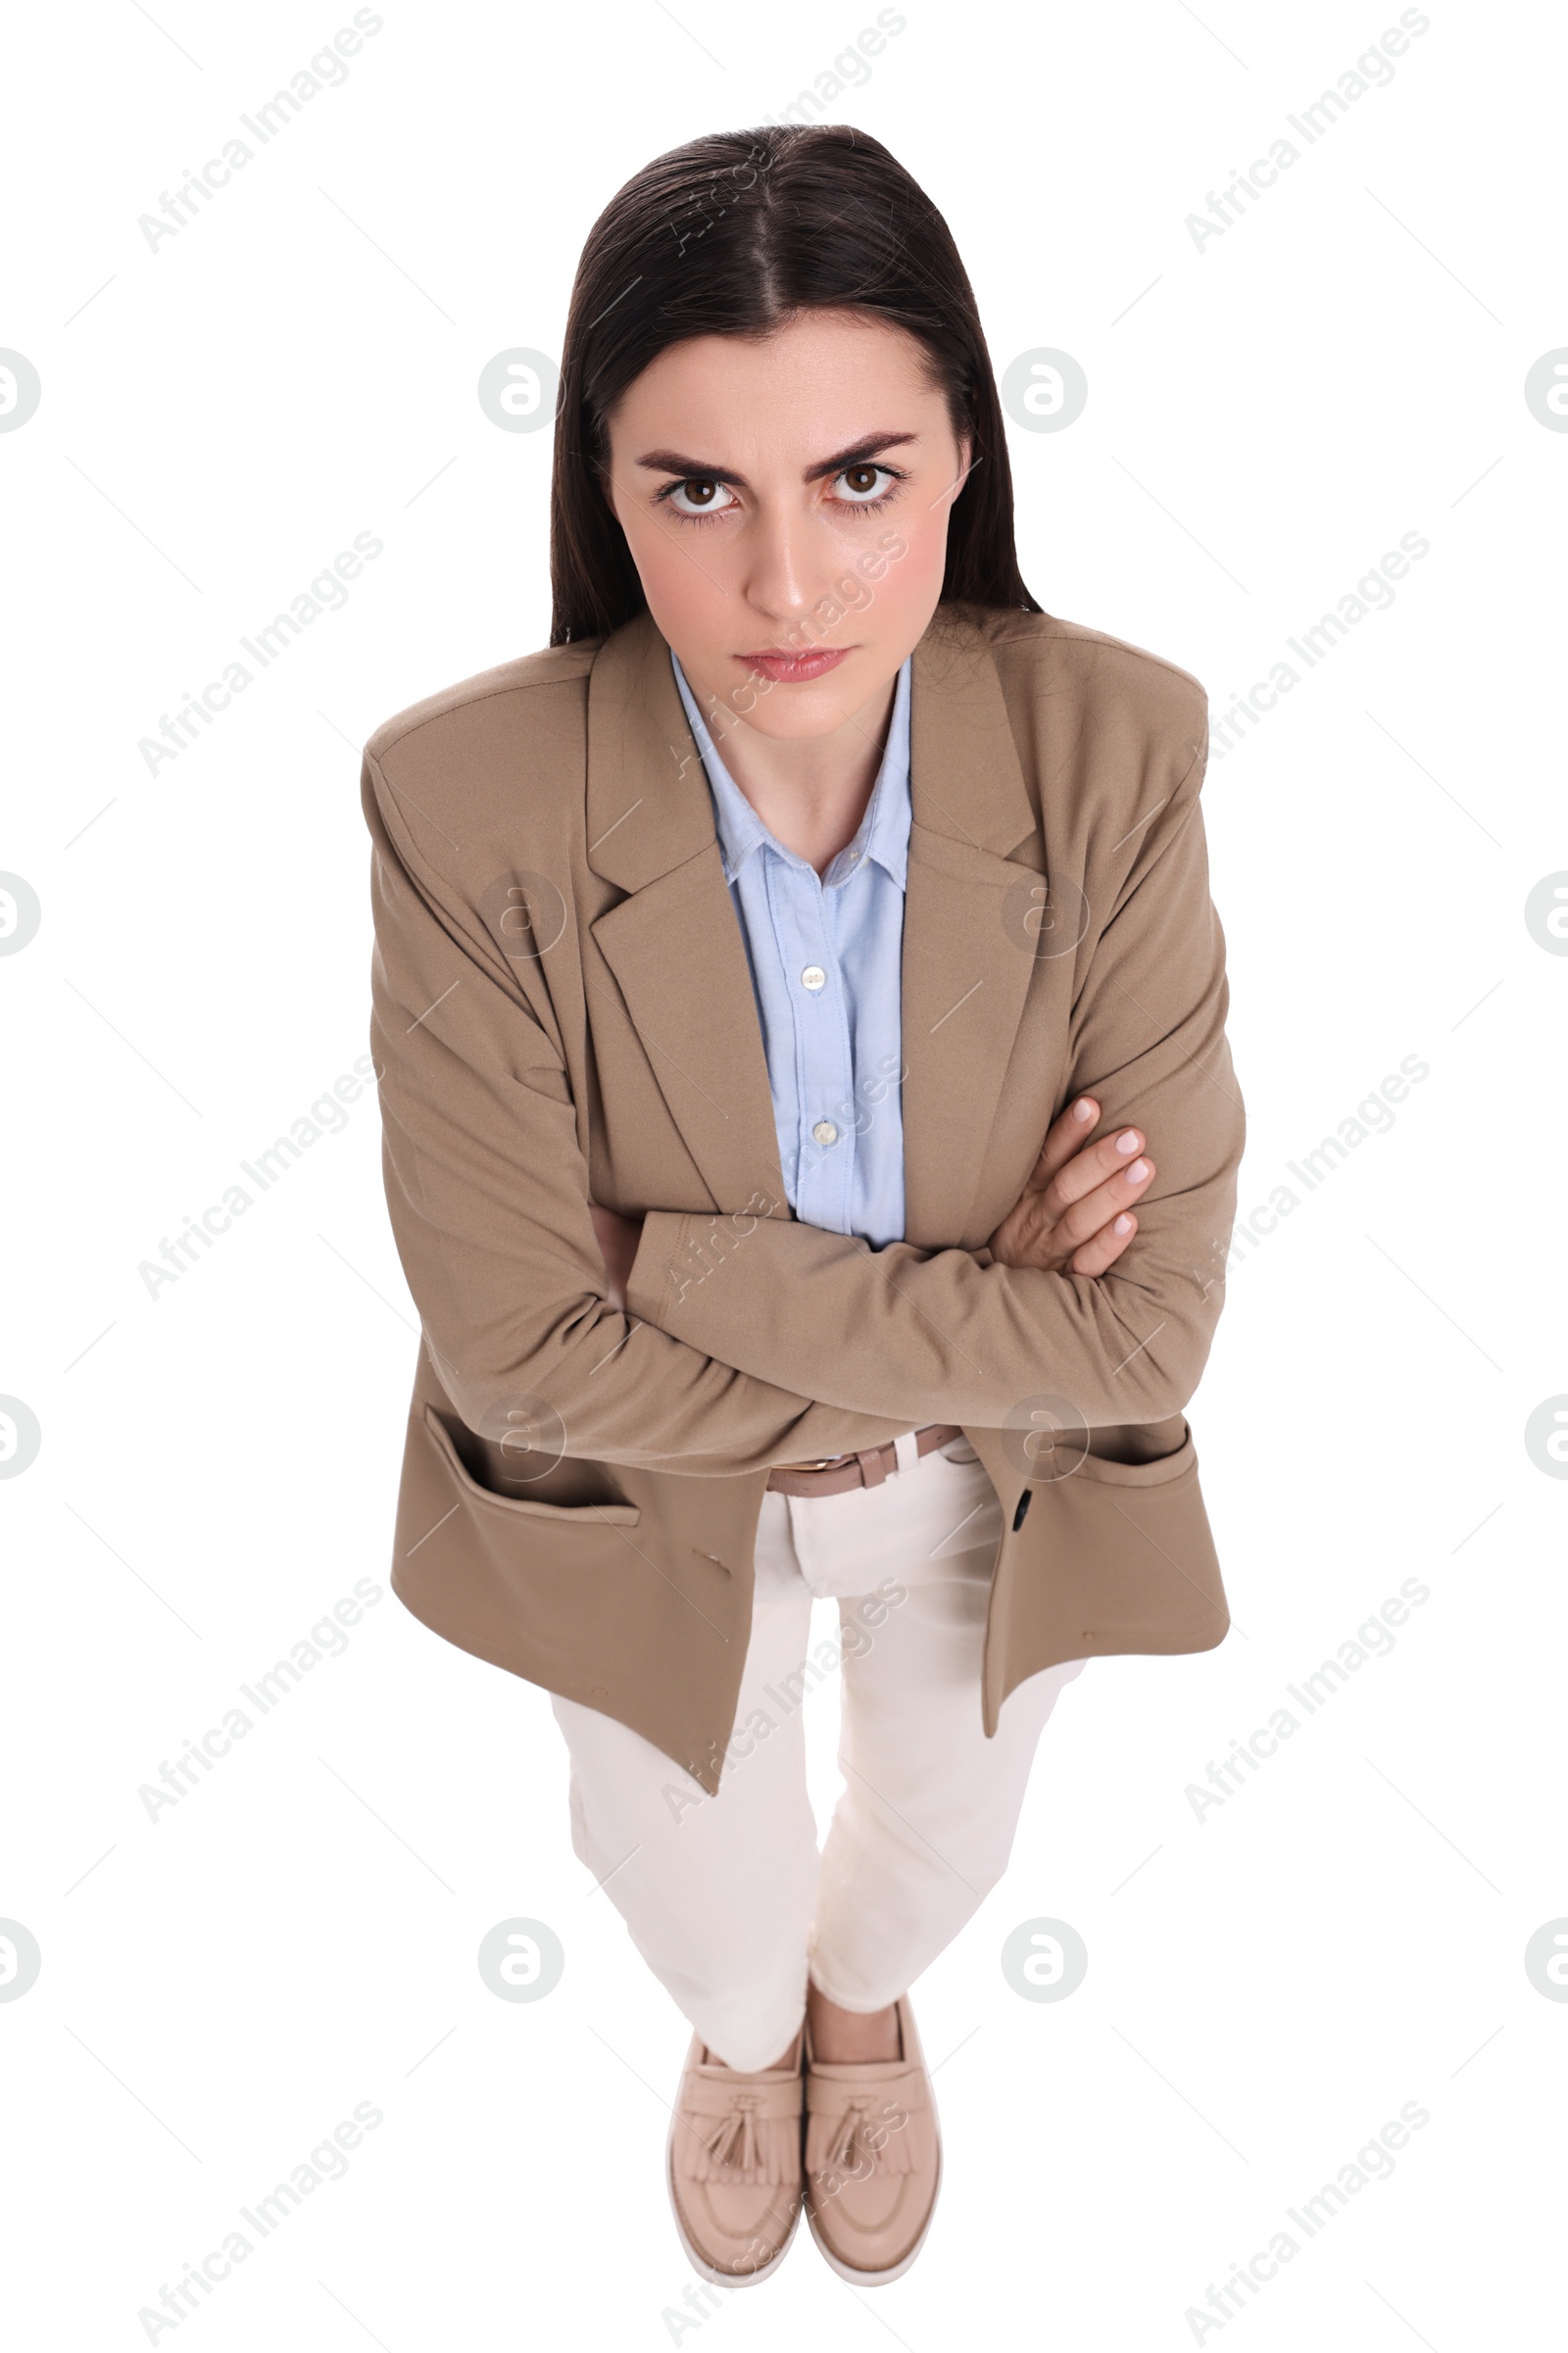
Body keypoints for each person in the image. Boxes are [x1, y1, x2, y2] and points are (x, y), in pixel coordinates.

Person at [361, 123, 1244, 2290]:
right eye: (696, 491)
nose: (786, 587)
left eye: (857, 477)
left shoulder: (1112, 747)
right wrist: (961, 1304)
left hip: (996, 1483)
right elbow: (514, 1347)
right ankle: (755, 2032)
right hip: (630, 1494)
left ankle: (868, 2016)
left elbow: (1143, 1337)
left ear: (960, 459)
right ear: (600, 493)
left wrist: (675, 1260)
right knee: (701, 1913)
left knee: (935, 1851)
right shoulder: (458, 800)